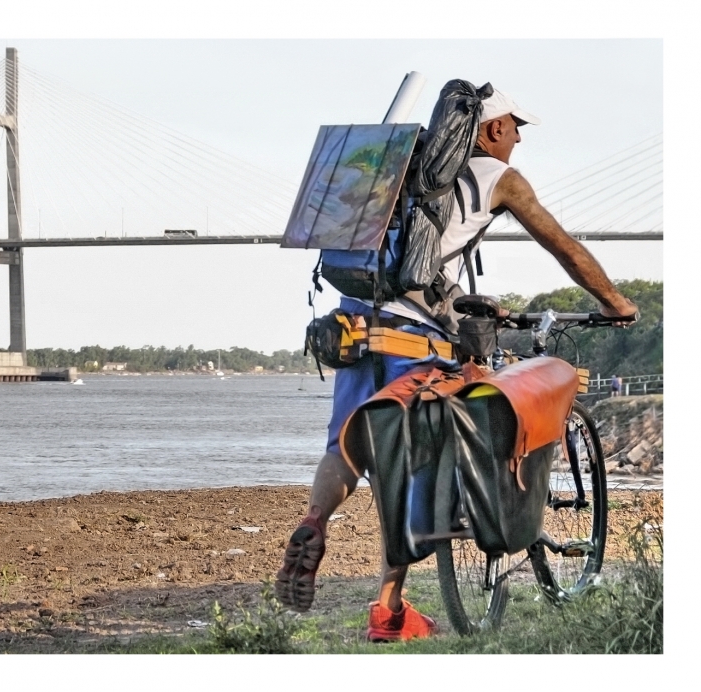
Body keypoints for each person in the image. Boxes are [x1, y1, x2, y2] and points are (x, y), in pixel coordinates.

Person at [274, 87, 639, 642]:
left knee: (346, 447)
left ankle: (313, 523)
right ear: (490, 130)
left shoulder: (404, 170)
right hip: (417, 340)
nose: (518, 138)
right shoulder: (499, 179)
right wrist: (616, 303)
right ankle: (390, 612)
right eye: (515, 127)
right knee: (414, 465)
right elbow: (563, 245)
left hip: (352, 325)